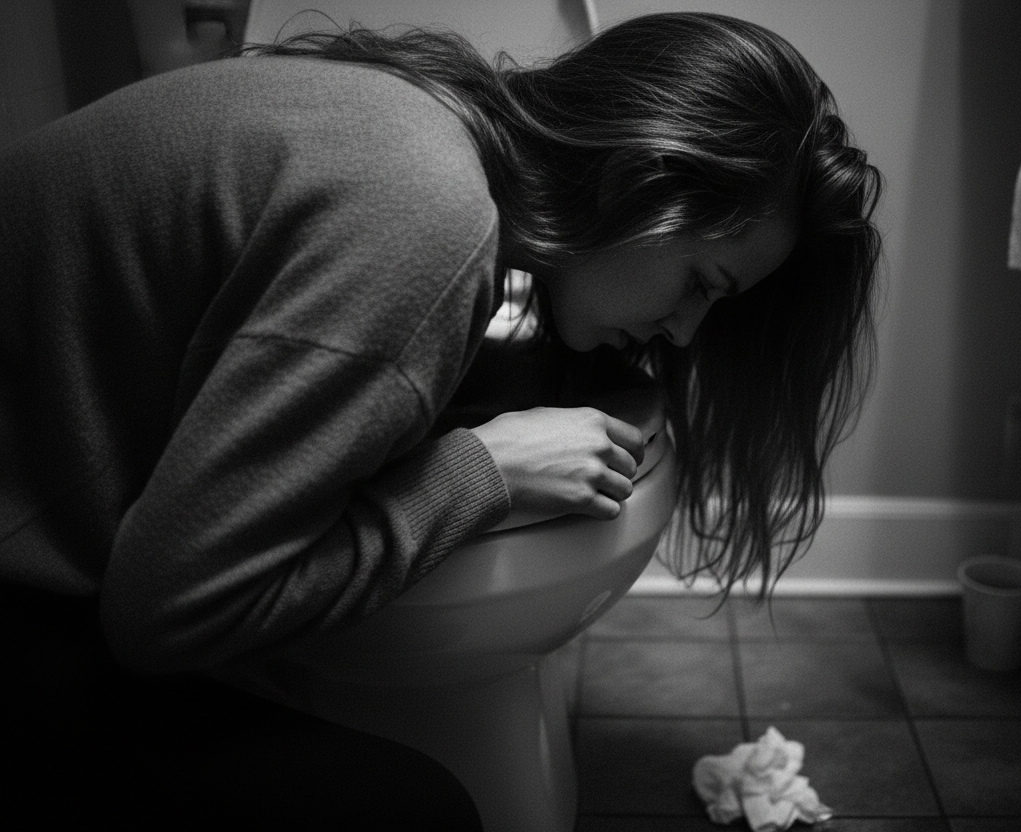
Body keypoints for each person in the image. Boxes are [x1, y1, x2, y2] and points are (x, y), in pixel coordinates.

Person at [0, 10, 880, 823]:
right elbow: (169, 615)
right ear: (636, 176)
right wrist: (480, 472)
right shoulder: (427, 213)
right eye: (699, 282)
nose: (685, 332)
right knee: (422, 811)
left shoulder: (426, 119)